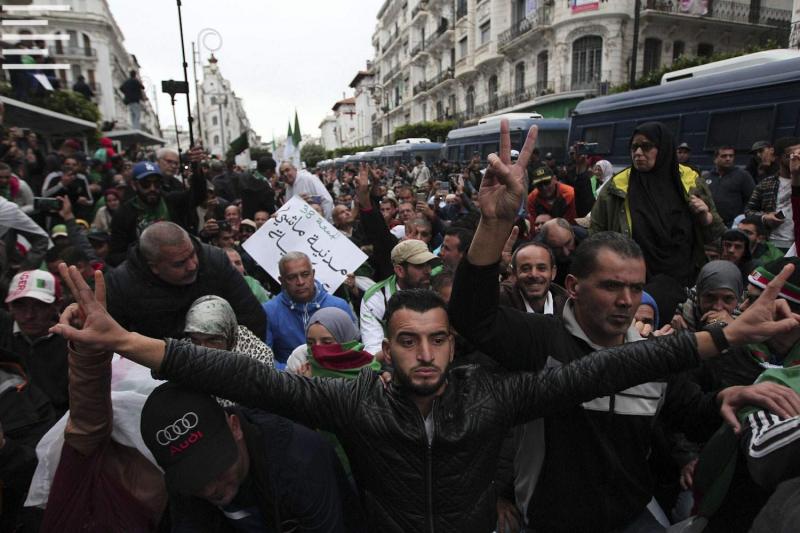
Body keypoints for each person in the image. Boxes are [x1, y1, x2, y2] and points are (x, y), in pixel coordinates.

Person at [52, 254, 800, 533]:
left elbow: (602, 370)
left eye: (438, 339)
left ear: (453, 345)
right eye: (407, 340)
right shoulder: (353, 402)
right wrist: (125, 342)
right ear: (386, 351)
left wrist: (725, 339)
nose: (424, 354)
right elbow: (241, 376)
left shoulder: (491, 398)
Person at [448, 120, 799, 532]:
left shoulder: (655, 356)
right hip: (550, 520)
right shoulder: (540, 339)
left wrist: (732, 397)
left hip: (632, 517)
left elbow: (690, 414)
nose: (626, 301)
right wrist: (496, 221)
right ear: (574, 287)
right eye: (612, 286)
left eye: (635, 288)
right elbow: (473, 316)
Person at [139, 381, 362, 531]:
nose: (209, 490)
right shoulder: (183, 485)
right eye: (194, 478)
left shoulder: (300, 460)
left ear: (235, 428)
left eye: (215, 469)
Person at [590, 121, 725, 286]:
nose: (638, 153)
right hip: (634, 283)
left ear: (663, 149)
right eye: (634, 147)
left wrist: (706, 218)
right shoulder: (616, 188)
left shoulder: (690, 182)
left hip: (685, 281)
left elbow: (717, 235)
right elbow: (596, 235)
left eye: (646, 147)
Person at [105, 221, 266, 340]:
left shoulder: (215, 261)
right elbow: (115, 340)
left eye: (192, 254)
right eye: (179, 263)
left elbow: (252, 317)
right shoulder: (121, 284)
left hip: (223, 362)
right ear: (154, 267)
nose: (192, 265)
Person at [108, 152, 206, 266]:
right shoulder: (123, 214)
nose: (152, 188)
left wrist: (196, 166)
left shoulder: (172, 201)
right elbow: (115, 256)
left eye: (157, 183)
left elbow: (198, 195)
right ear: (134, 185)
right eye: (146, 184)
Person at [264, 252, 355, 364]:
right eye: (292, 277)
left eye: (305, 274)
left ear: (313, 274)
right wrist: (292, 373)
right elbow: (264, 359)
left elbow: (354, 351)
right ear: (281, 280)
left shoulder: (339, 306)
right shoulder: (269, 311)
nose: (300, 282)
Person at [0, 270, 68, 415]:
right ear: (9, 306)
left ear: (57, 305)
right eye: (20, 305)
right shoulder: (3, 332)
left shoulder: (73, 345)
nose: (29, 315)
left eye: (39, 305)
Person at [360, 239, 441, 355]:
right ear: (400, 270)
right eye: (419, 265)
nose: (428, 271)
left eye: (428, 264)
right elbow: (374, 349)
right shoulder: (376, 298)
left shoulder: (438, 287)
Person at [286, 307, 381, 379]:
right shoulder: (299, 366)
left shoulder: (371, 373)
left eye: (327, 342)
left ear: (346, 341)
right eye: (311, 343)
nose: (317, 349)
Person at [745, 137, 800, 252]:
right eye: (791, 156)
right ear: (778, 158)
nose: (797, 159)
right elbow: (749, 212)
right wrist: (765, 218)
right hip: (773, 245)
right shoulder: (766, 184)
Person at [671, 260, 743, 333]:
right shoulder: (678, 317)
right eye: (710, 297)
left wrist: (734, 329)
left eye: (728, 298)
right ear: (698, 297)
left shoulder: (748, 324)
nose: (718, 307)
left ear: (738, 299)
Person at [500, 241, 568, 316]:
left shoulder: (568, 307)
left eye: (541, 268)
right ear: (514, 273)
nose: (534, 274)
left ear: (553, 272)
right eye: (525, 269)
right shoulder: (500, 302)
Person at [704, 146, 756, 227]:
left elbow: (752, 199)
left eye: (731, 156)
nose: (728, 158)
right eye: (724, 156)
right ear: (715, 158)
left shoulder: (743, 175)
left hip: (732, 225)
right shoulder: (706, 177)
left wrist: (742, 219)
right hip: (709, 224)